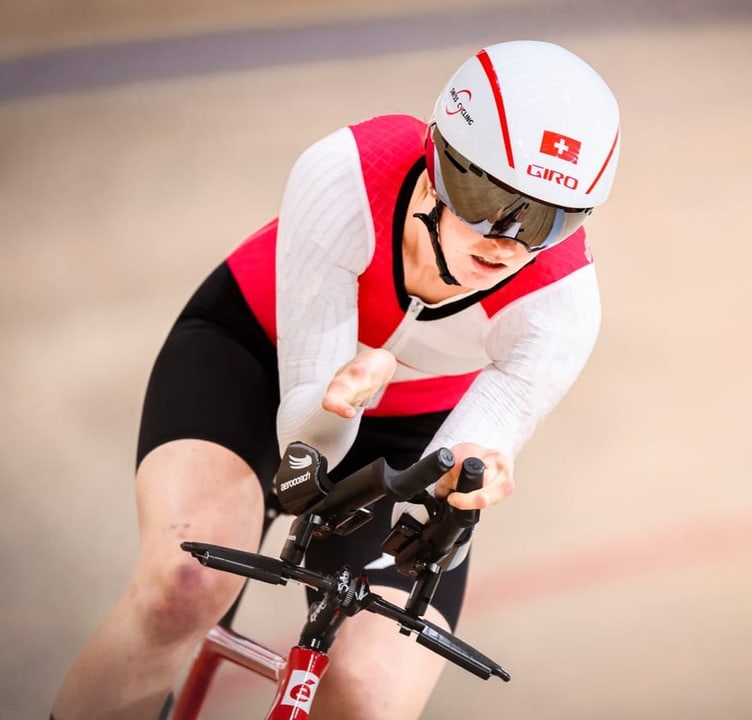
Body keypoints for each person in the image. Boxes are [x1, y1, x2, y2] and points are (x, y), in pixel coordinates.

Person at [52, 38, 621, 720]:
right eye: (489, 199)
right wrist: (341, 395)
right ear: (440, 161)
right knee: (179, 588)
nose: (508, 242)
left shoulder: (561, 305)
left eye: (551, 220)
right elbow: (307, 442)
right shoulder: (347, 175)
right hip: (255, 355)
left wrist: (467, 478)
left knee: (368, 698)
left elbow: (457, 467)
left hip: (412, 429)